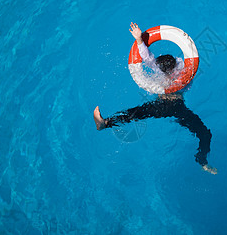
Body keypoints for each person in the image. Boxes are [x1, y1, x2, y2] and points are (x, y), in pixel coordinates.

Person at [93, 22, 217, 175]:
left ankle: (202, 161)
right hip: (166, 105)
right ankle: (104, 123)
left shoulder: (183, 70)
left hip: (176, 106)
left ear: (172, 69)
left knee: (205, 134)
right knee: (137, 113)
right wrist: (139, 39)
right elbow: (146, 56)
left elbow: (187, 73)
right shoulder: (160, 67)